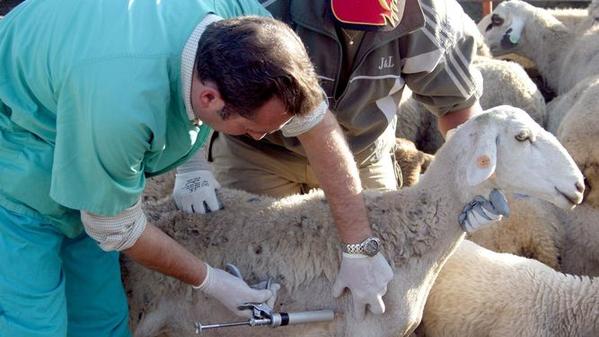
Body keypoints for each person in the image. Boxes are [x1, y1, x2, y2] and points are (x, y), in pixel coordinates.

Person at [0, 1, 342, 336]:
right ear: (209, 98)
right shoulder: (122, 106)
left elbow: (314, 120)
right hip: (15, 163)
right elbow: (115, 225)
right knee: (34, 324)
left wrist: (359, 246)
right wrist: (212, 280)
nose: (257, 137)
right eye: (250, 126)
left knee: (102, 321)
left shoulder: (244, 25)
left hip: (84, 129)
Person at [209, 0, 499, 319]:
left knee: (385, 278)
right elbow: (199, 74)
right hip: (261, 151)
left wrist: (471, 185)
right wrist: (190, 166)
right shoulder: (263, 7)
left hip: (361, 153)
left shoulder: (432, 19)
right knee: (254, 275)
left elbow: (459, 110)